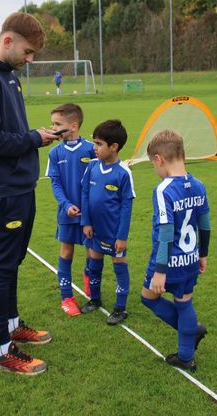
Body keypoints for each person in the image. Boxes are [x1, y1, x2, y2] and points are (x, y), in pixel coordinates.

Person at [0, 12, 60, 376]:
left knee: (12, 262)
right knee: (0, 267)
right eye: (27, 51)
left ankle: (12, 324)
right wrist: (33, 139)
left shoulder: (7, 76)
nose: (30, 59)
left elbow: (9, 132)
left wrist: (36, 135)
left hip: (20, 186)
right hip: (1, 191)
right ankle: (1, 352)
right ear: (7, 41)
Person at [140, 130, 210, 373]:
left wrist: (160, 271)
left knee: (148, 298)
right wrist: (203, 254)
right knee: (184, 302)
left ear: (158, 159)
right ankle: (186, 356)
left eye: (153, 165)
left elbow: (166, 231)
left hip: (168, 262)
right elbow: (205, 224)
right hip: (191, 259)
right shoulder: (199, 185)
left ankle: (189, 333)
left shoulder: (164, 189)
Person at [80, 120, 135, 325]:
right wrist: (86, 222)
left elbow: (127, 207)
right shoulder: (92, 166)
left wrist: (122, 237)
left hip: (113, 233)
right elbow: (85, 194)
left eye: (99, 143)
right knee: (94, 264)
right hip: (94, 229)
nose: (94, 147)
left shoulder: (123, 172)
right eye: (94, 142)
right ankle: (95, 299)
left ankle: (120, 308)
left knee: (119, 266)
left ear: (114, 147)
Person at [45, 104, 96, 316]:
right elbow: (55, 183)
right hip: (66, 213)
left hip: (89, 214)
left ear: (73, 126)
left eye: (57, 124)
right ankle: (67, 298)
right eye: (53, 124)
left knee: (92, 253)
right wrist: (66, 205)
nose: (53, 128)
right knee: (66, 252)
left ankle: (89, 280)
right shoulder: (55, 152)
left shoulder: (92, 149)